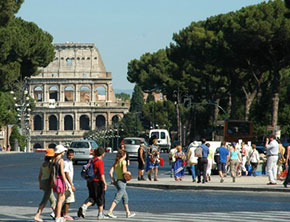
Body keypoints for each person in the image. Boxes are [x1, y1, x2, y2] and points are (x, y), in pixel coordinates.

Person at [78, 147, 108, 220]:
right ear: (103, 154)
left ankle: (84, 206)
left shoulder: (92, 160)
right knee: (100, 197)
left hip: (90, 181)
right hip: (98, 181)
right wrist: (105, 183)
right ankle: (100, 214)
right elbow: (101, 174)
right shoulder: (100, 162)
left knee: (92, 197)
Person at [106, 150, 136, 219]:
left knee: (125, 197)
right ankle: (110, 211)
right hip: (122, 182)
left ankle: (128, 212)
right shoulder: (124, 162)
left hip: (118, 181)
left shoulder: (116, 163)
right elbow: (124, 172)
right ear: (123, 155)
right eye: (125, 154)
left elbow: (110, 172)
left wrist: (114, 180)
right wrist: (129, 173)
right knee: (118, 197)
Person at [34, 149, 56, 222]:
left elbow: (40, 175)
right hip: (48, 182)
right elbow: (52, 175)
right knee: (45, 200)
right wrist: (53, 182)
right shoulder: (50, 164)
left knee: (52, 199)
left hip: (43, 182)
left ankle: (56, 214)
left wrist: (40, 184)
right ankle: (37, 215)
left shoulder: (43, 164)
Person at [52, 145, 67, 222]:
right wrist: (66, 182)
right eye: (64, 151)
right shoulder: (61, 161)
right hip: (60, 180)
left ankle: (57, 213)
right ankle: (58, 216)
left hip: (55, 180)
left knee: (61, 198)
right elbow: (62, 172)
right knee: (60, 199)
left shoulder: (53, 160)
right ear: (61, 152)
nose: (64, 152)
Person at [63, 149, 75, 221]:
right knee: (68, 200)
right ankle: (65, 214)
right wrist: (71, 185)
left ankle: (59, 212)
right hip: (67, 184)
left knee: (64, 199)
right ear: (67, 155)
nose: (71, 157)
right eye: (69, 155)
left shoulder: (70, 162)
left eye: (72, 155)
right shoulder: (66, 162)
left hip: (68, 183)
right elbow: (66, 174)